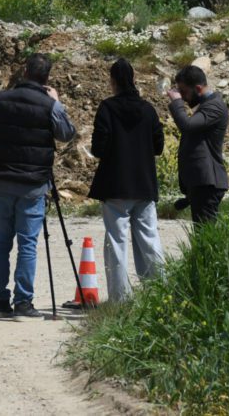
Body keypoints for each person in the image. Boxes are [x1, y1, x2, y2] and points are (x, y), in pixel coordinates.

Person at [0, 53, 76, 320]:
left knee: (0, 241)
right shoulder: (50, 105)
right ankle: (23, 303)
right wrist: (58, 103)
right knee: (27, 243)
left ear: (24, 72)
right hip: (32, 183)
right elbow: (67, 134)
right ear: (47, 78)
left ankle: (0, 302)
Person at [89, 58, 165, 303]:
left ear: (113, 81)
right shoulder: (148, 109)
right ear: (133, 79)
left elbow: (98, 148)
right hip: (144, 184)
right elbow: (159, 146)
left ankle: (120, 299)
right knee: (149, 239)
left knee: (117, 241)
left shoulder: (107, 108)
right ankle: (159, 293)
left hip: (116, 184)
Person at [166, 65, 229, 224]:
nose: (184, 97)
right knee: (203, 236)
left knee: (206, 238)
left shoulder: (214, 106)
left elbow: (187, 126)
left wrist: (177, 103)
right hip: (202, 184)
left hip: (208, 183)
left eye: (184, 92)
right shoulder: (206, 106)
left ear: (198, 88)